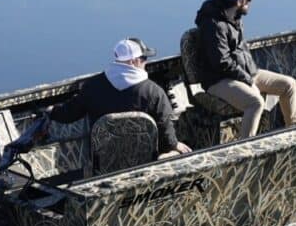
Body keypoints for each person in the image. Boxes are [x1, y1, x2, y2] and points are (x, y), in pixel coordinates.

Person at [28, 37, 191, 162]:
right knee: (177, 152)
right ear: (134, 61)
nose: (146, 62)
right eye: (144, 58)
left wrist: (52, 112)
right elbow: (165, 127)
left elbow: (69, 114)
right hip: (145, 161)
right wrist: (174, 145)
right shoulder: (154, 92)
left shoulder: (93, 86)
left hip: (104, 160)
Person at [192, 0, 296, 138]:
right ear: (239, 1)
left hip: (244, 73)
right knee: (255, 102)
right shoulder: (214, 25)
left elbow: (240, 52)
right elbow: (222, 62)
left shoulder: (234, 17)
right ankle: (245, 149)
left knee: (288, 84)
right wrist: (248, 80)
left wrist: (250, 75)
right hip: (219, 80)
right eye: (248, 0)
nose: (250, 4)